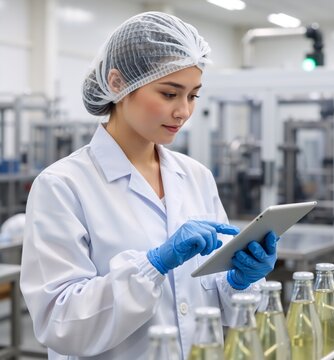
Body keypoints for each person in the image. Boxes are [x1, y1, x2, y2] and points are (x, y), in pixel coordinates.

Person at [20, 12, 279, 360]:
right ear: (117, 83)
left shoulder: (196, 176)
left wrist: (237, 280)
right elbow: (60, 321)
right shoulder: (62, 186)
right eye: (170, 93)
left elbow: (208, 301)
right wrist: (153, 265)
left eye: (193, 96)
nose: (184, 111)